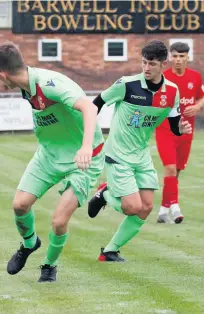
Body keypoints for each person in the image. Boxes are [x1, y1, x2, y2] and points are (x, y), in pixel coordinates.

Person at [0, 43, 105, 282]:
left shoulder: (49, 85)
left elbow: (89, 108)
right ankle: (30, 243)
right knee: (20, 205)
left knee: (59, 221)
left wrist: (85, 147)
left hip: (83, 159)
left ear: (3, 74)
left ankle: (49, 266)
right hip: (49, 155)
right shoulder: (25, 86)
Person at [87, 40, 192, 262]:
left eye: (152, 64)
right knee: (132, 207)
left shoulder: (172, 92)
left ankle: (109, 251)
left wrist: (181, 129)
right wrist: (87, 137)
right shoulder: (126, 85)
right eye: (144, 62)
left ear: (163, 64)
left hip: (141, 155)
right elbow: (95, 104)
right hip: (118, 154)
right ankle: (104, 194)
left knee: (145, 208)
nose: (146, 68)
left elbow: (174, 125)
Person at [156, 42, 204, 224]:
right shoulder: (163, 78)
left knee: (176, 171)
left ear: (187, 58)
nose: (178, 60)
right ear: (170, 57)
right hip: (166, 130)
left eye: (181, 56)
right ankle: (175, 208)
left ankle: (163, 209)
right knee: (169, 167)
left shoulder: (195, 77)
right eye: (175, 56)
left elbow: (201, 96)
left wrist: (197, 106)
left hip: (187, 131)